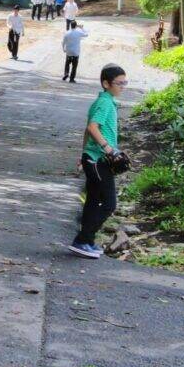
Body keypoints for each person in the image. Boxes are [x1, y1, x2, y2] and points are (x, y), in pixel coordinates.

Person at [68, 64, 127, 259]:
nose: (122, 87)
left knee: (93, 200)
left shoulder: (106, 101)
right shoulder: (105, 103)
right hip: (97, 159)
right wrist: (108, 148)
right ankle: (82, 239)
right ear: (106, 83)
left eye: (124, 83)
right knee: (109, 203)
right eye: (119, 83)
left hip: (93, 157)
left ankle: (87, 242)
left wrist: (83, 154)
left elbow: (87, 130)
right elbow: (93, 128)